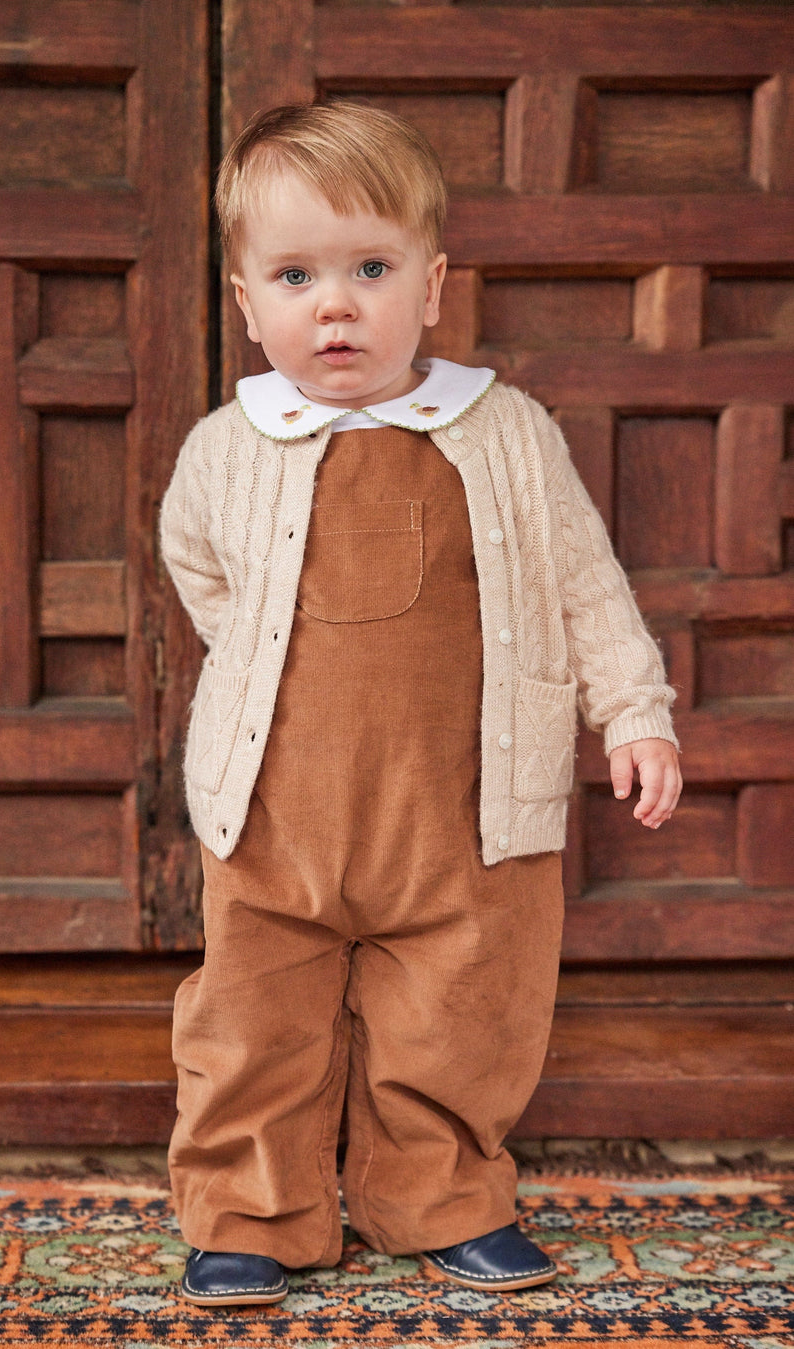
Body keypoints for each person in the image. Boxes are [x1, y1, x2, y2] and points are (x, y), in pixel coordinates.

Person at [160, 101, 682, 1308]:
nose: (334, 307)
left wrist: (635, 710)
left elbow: (583, 580)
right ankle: (251, 1210)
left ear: (432, 285)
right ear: (248, 304)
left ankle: (444, 1197)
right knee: (252, 1019)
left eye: (371, 270)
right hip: (276, 819)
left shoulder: (505, 433)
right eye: (296, 276)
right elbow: (199, 566)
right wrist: (248, 663)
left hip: (467, 816)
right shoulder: (229, 446)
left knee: (463, 1014)